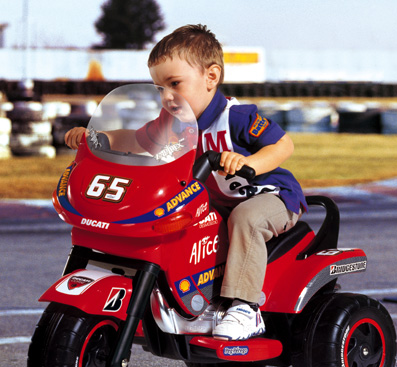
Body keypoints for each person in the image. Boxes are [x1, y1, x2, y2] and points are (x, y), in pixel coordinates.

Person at [65, 24, 308, 341]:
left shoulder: (235, 116)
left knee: (245, 218)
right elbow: (138, 141)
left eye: (175, 83)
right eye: (159, 88)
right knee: (179, 222)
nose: (167, 96)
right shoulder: (172, 124)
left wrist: (248, 162)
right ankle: (186, 299)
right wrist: (99, 137)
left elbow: (283, 146)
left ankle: (245, 307)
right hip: (219, 200)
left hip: (270, 197)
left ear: (211, 77)